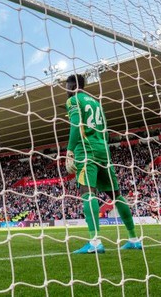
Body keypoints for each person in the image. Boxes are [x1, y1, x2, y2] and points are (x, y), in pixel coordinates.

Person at [64, 74, 142, 253]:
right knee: (116, 196)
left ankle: (95, 242)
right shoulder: (97, 102)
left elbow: (75, 125)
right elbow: (106, 131)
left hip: (86, 151)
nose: (66, 90)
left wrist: (69, 151)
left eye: (67, 86)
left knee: (88, 194)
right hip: (103, 150)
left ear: (72, 86)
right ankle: (133, 239)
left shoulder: (74, 100)